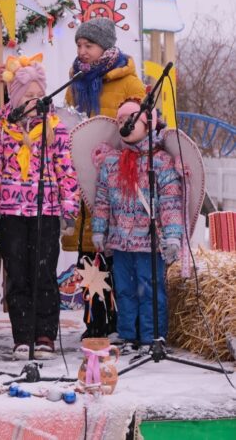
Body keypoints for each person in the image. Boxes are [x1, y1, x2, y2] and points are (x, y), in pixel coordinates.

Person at [0, 57, 80, 360]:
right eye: (28, 96)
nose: (34, 102)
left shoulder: (54, 129)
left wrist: (69, 208)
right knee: (18, 275)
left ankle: (45, 334)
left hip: (45, 211)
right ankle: (22, 336)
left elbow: (66, 170)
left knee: (44, 273)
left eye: (39, 96)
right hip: (12, 212)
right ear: (16, 98)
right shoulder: (2, 129)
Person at [63, 17, 146, 339]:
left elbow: (142, 125)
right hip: (87, 179)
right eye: (79, 46)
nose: (83, 51)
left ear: (106, 47)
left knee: (120, 253)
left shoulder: (129, 83)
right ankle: (95, 320)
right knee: (90, 253)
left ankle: (125, 321)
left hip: (120, 181)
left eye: (89, 46)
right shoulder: (76, 83)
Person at [92, 99, 183, 355]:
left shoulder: (162, 162)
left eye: (130, 119)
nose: (124, 124)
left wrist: (173, 237)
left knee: (150, 289)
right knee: (124, 289)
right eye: (120, 121)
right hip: (120, 240)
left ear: (148, 123)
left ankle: (153, 335)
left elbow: (170, 203)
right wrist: (99, 229)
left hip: (149, 242)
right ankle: (128, 334)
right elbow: (102, 199)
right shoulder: (112, 162)